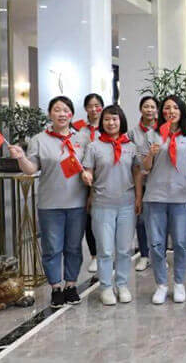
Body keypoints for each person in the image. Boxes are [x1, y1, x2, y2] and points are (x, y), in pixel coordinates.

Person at [8, 96, 88, 309]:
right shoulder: (39, 140)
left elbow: (89, 167)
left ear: (72, 114)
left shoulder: (82, 139)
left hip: (77, 203)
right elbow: (31, 169)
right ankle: (56, 288)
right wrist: (20, 157)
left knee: (73, 247)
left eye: (66, 110)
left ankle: (71, 285)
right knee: (52, 248)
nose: (62, 114)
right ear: (50, 114)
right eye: (57, 110)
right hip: (50, 204)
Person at [139, 95, 186, 304]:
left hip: (181, 196)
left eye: (175, 108)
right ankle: (161, 284)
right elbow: (145, 168)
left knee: (181, 243)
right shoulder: (151, 135)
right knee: (156, 244)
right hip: (155, 197)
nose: (171, 111)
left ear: (181, 112)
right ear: (161, 112)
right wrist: (151, 154)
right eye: (166, 108)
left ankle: (179, 283)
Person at [80, 105, 140, 306]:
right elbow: (88, 170)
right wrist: (87, 176)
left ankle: (122, 284)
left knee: (124, 249)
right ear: (102, 122)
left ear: (121, 121)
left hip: (127, 205)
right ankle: (105, 287)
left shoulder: (131, 147)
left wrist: (138, 198)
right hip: (102, 204)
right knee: (105, 249)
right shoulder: (94, 147)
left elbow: (137, 173)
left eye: (114, 119)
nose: (111, 123)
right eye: (106, 119)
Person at [128, 95, 158, 272]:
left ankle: (159, 255)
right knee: (141, 221)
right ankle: (144, 255)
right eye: (146, 106)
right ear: (141, 109)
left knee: (159, 221)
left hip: (159, 182)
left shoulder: (162, 130)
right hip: (140, 181)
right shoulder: (132, 133)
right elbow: (132, 160)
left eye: (152, 107)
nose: (149, 110)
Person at [76, 93, 104, 273]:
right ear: (85, 108)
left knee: (105, 218)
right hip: (86, 180)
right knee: (89, 218)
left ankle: (106, 253)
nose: (94, 109)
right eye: (90, 106)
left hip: (105, 178)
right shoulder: (80, 131)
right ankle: (94, 255)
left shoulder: (109, 126)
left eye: (97, 105)